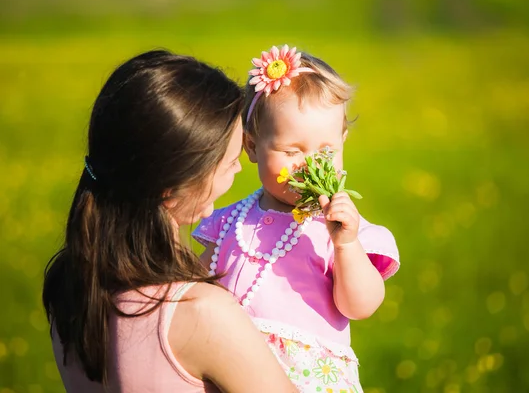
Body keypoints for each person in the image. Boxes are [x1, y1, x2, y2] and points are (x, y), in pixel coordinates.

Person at [42, 50, 298, 392]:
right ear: (170, 191)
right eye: (231, 162)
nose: (239, 169)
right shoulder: (201, 313)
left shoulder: (70, 287)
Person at [193, 45, 400, 392]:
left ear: (343, 141)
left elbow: (361, 305)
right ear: (252, 146)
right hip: (234, 372)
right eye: (292, 151)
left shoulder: (343, 229)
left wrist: (346, 245)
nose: (311, 165)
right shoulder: (230, 222)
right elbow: (196, 287)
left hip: (313, 378)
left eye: (326, 151)